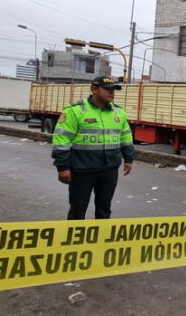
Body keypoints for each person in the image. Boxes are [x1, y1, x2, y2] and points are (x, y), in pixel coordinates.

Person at [51, 76, 134, 220]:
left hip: (109, 169)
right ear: (94, 89)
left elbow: (125, 137)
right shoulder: (75, 111)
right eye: (107, 89)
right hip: (83, 169)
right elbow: (61, 140)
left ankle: (99, 240)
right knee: (78, 210)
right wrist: (62, 167)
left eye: (113, 89)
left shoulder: (118, 112)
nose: (112, 93)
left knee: (104, 209)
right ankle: (74, 241)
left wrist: (128, 158)